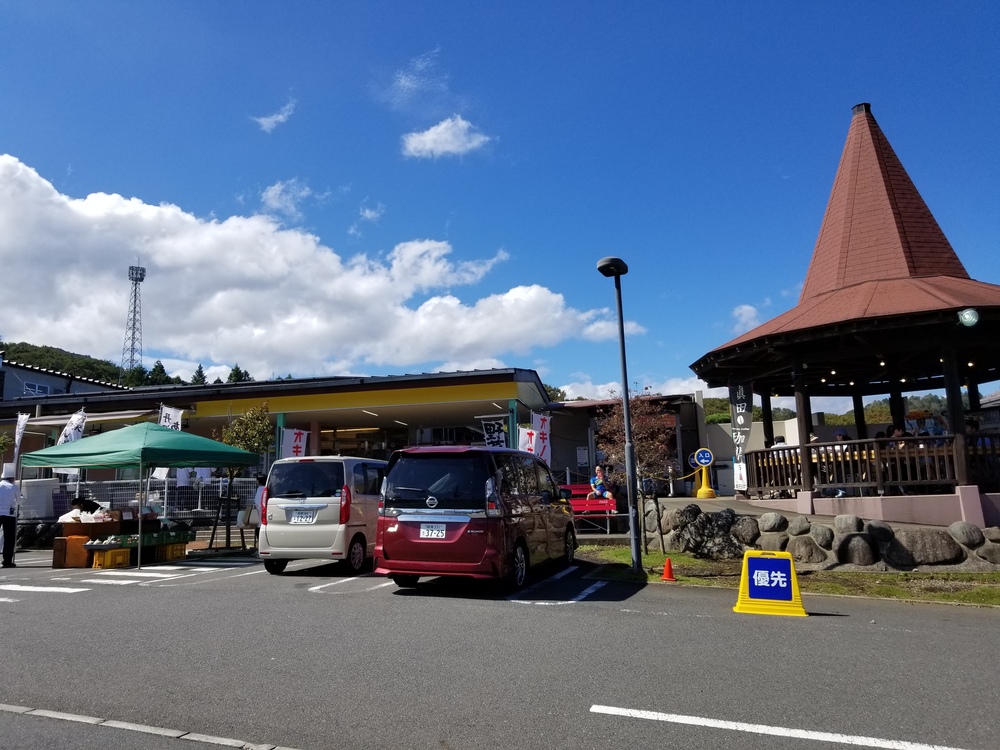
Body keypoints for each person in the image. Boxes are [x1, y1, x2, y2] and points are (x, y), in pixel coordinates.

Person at [0, 464, 22, 568]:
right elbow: (20, 501)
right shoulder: (13, 487)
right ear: (11, 478)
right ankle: (7, 560)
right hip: (9, 514)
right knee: (9, 538)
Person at [253, 474, 266, 546]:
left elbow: (257, 502)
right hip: (264, 511)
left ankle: (259, 545)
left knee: (259, 528)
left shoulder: (260, 489)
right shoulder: (267, 488)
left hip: (259, 512)